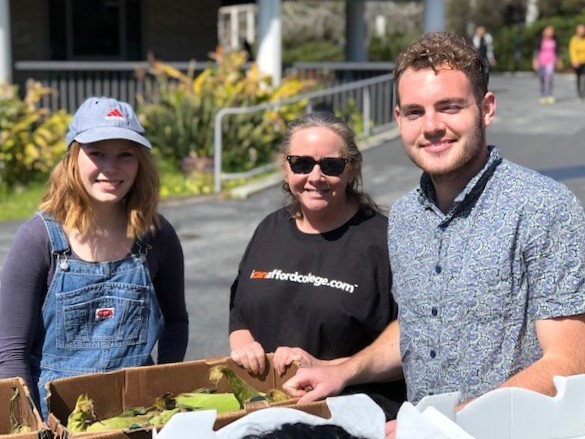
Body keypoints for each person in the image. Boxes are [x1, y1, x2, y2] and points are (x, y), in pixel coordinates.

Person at [282, 32, 585, 438]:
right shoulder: (406, 215)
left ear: (487, 108)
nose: (432, 126)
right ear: (398, 119)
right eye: (414, 112)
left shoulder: (543, 207)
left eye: (450, 107)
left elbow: (569, 361)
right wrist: (342, 370)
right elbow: (419, 328)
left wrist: (440, 425)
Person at [0, 97, 189, 418]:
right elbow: (10, 353)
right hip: (56, 422)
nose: (111, 168)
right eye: (97, 153)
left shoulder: (156, 235)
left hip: (138, 417)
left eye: (125, 155)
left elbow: (176, 322)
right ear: (73, 158)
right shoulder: (38, 238)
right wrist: (28, 425)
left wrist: (164, 391)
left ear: (140, 162)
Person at [229, 112, 406, 418]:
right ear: (285, 168)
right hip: (268, 415)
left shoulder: (384, 241)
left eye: (331, 165)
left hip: (351, 416)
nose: (315, 176)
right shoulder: (269, 229)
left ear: (352, 170)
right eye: (301, 163)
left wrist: (331, 369)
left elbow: (413, 342)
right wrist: (244, 344)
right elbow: (241, 312)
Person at [533, 25, 559, 104]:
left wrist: (558, 60)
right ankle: (543, 95)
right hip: (541, 61)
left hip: (551, 61)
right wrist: (535, 61)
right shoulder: (540, 40)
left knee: (549, 77)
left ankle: (549, 95)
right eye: (548, 31)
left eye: (551, 31)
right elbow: (536, 51)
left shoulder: (554, 40)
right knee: (542, 78)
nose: (550, 33)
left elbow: (557, 51)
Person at [569, 24, 585, 100]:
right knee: (578, 77)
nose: (582, 31)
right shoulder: (574, 39)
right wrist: (574, 60)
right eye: (580, 29)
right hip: (578, 61)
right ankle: (579, 93)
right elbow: (572, 51)